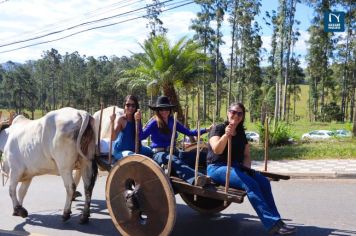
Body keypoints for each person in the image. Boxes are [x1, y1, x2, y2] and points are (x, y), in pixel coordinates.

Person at [207, 102, 296, 235]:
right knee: (251, 184)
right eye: (233, 112)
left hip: (236, 167)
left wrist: (245, 169)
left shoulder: (242, 133)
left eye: (239, 113)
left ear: (242, 116)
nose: (235, 115)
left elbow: (246, 155)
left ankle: (278, 221)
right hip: (217, 167)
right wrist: (226, 135)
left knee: (264, 182)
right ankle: (272, 224)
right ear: (227, 112)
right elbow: (217, 150)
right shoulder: (218, 128)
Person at [136, 95, 211, 186]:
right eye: (161, 109)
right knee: (174, 160)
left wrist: (206, 129)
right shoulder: (154, 123)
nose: (164, 111)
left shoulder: (173, 121)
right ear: (157, 111)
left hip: (174, 151)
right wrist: (138, 121)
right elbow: (141, 136)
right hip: (159, 154)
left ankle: (211, 173)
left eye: (166, 109)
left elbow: (189, 132)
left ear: (170, 110)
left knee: (197, 156)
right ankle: (197, 178)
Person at [111, 95, 152, 161]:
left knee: (151, 152)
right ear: (124, 106)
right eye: (128, 105)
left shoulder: (137, 118)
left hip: (136, 149)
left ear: (136, 107)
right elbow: (113, 138)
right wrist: (112, 122)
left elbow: (140, 135)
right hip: (122, 151)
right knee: (132, 156)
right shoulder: (121, 120)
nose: (130, 108)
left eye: (133, 105)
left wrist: (137, 121)